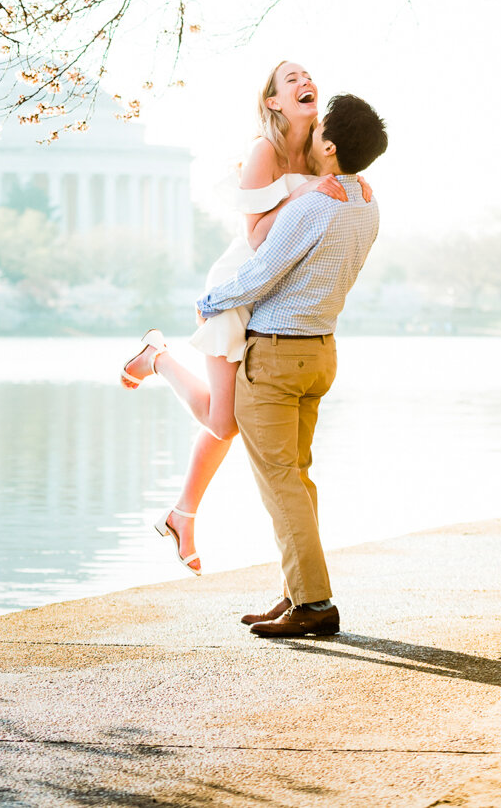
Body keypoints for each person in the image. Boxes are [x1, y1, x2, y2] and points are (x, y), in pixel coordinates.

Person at [120, 61, 368, 574]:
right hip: (240, 285)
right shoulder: (264, 151)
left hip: (279, 297)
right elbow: (257, 239)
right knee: (223, 421)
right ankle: (158, 358)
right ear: (274, 101)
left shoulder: (324, 153)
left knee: (226, 421)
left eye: (308, 77)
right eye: (291, 79)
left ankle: (181, 515)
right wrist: (304, 192)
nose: (305, 83)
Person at [195, 92, 388, 637]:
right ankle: (295, 592)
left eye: (323, 124)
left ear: (327, 145)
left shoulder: (311, 206)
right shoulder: (367, 203)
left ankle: (315, 603)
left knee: (281, 482)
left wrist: (209, 302)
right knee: (297, 480)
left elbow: (262, 274)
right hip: (320, 353)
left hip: (278, 356)